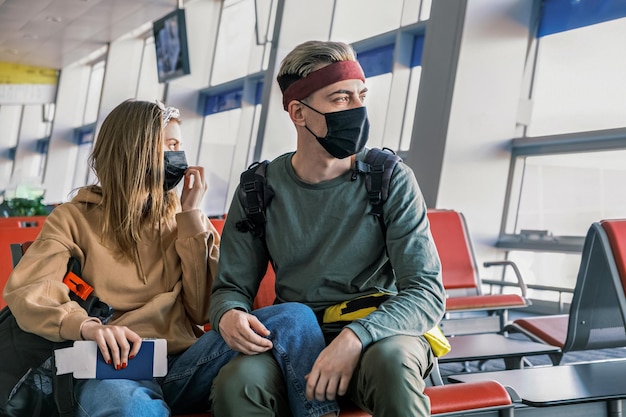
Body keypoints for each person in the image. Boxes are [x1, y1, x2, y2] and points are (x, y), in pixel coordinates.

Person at [3, 99, 333, 417]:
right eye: (170, 145)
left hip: (184, 362)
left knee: (295, 318)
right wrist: (86, 326)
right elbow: (31, 289)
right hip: (114, 368)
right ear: (135, 152)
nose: (180, 158)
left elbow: (203, 308)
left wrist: (191, 216)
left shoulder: (179, 214)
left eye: (179, 146)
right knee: (133, 409)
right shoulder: (73, 218)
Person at [210, 40, 446, 417]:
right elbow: (231, 287)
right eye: (340, 99)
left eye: (361, 96)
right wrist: (229, 314)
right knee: (238, 383)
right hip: (292, 337)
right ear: (298, 113)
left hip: (378, 331)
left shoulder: (389, 178)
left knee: (392, 365)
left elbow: (426, 293)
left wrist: (356, 337)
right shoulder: (259, 188)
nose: (357, 109)